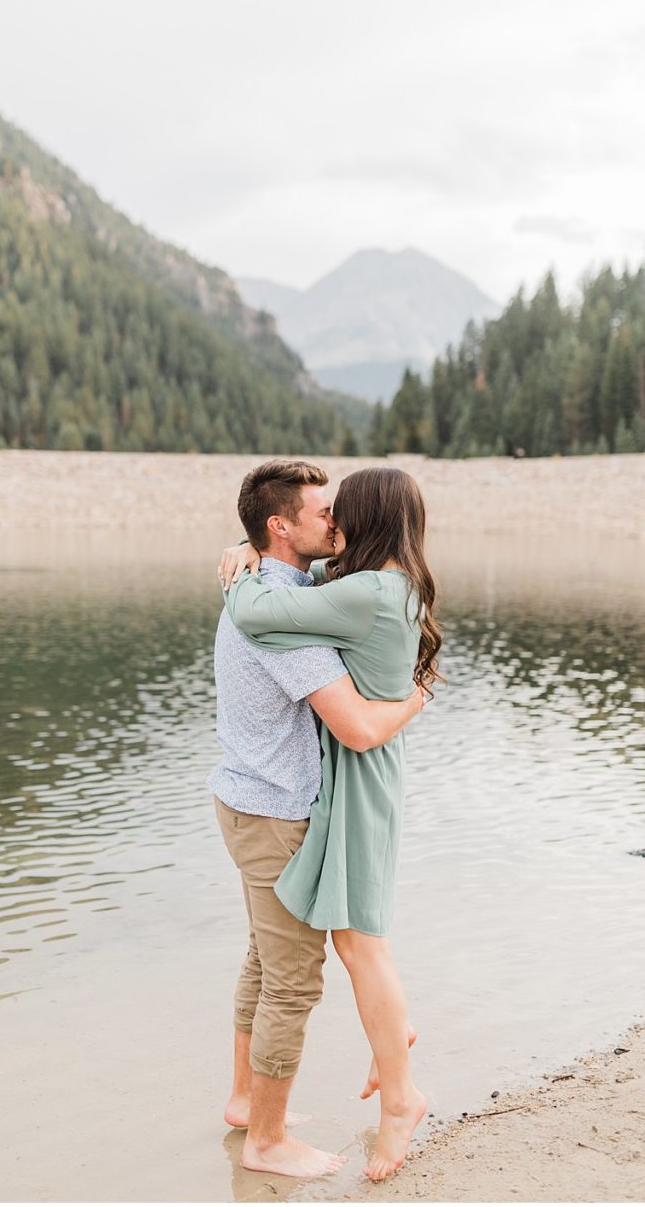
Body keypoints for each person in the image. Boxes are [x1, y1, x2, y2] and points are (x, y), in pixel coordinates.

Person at [204, 460, 427, 1180]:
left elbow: (278, 599)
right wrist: (419, 700)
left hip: (249, 797)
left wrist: (243, 563)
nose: (333, 521)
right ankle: (266, 1138)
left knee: (269, 961)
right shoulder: (290, 611)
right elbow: (357, 728)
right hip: (276, 809)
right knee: (295, 979)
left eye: (340, 509)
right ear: (281, 525)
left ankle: (247, 1103)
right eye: (320, 511)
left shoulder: (300, 589)